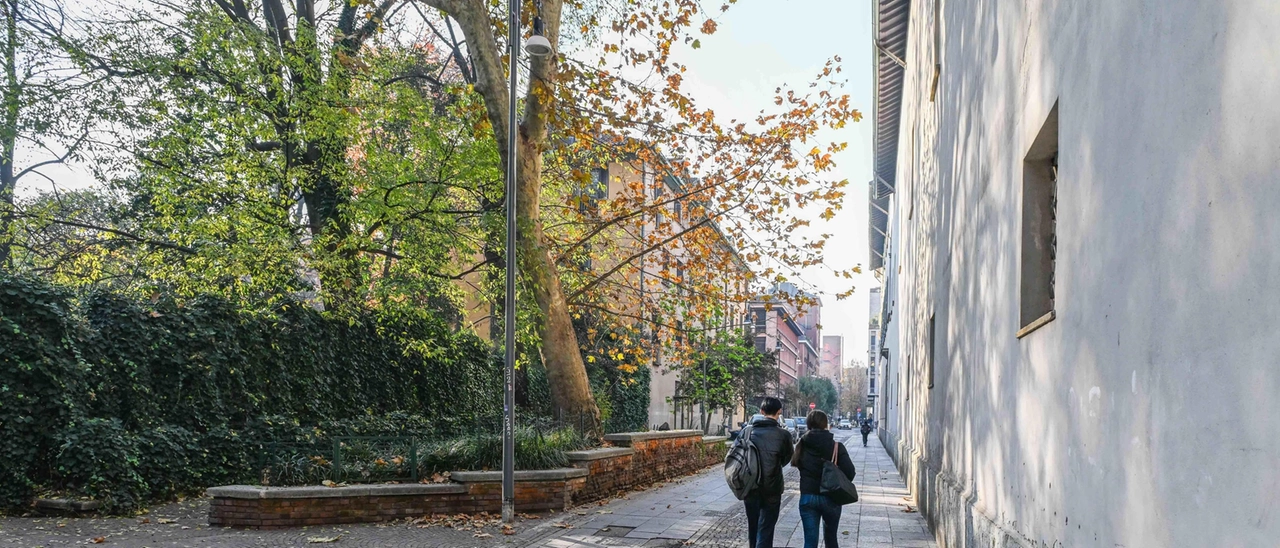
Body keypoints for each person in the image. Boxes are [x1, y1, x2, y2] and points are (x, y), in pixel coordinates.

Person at [791, 410, 856, 548]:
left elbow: (797, 464)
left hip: (808, 497)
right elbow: (850, 472)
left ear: (808, 424)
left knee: (810, 541)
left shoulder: (801, 445)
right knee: (831, 539)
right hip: (831, 497)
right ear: (825, 424)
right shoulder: (836, 447)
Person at [743, 397, 793, 548]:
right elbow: (786, 458)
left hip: (750, 486)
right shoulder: (784, 435)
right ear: (779, 412)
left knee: (753, 525)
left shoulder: (747, 432)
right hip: (772, 487)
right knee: (766, 528)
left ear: (761, 411)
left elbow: (738, 456)